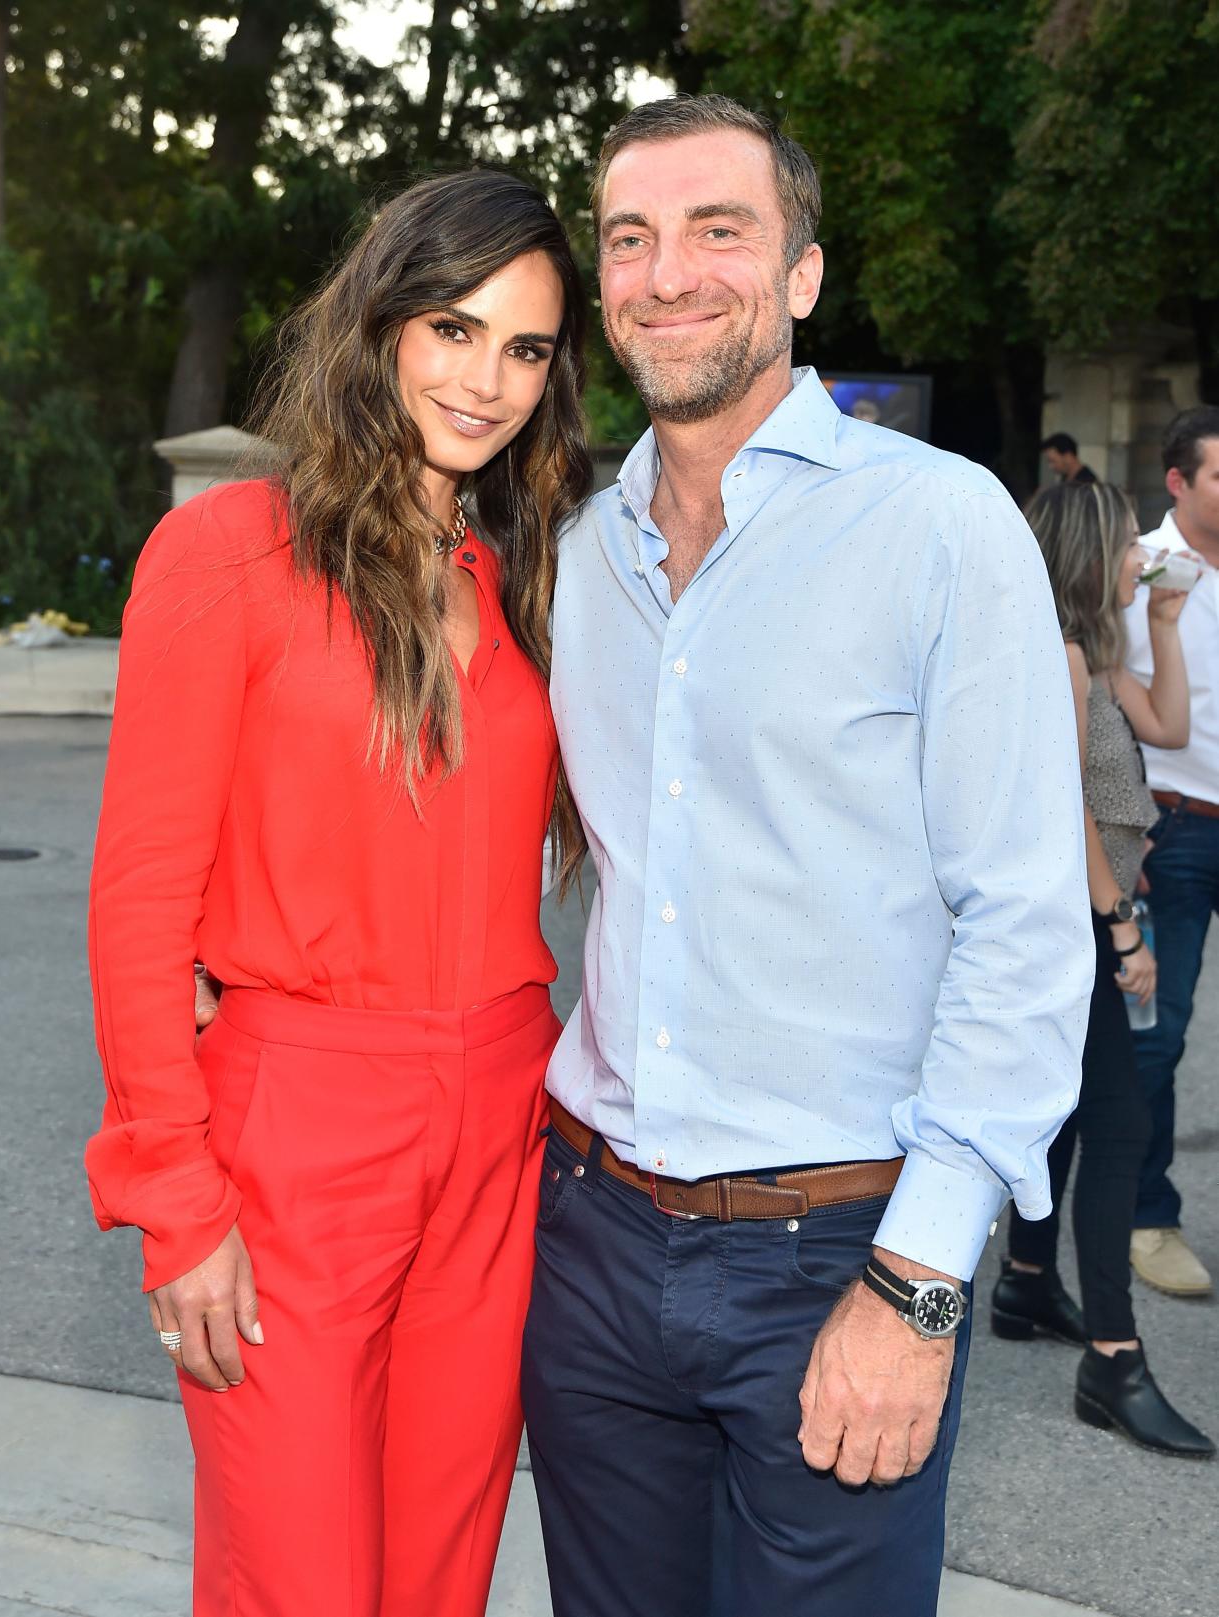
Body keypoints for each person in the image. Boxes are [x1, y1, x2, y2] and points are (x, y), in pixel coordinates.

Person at [521, 95, 1093, 1617]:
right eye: (630, 239)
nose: (668, 272)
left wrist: (917, 1282)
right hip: (589, 1237)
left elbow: (1025, 928)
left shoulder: (942, 528)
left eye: (720, 231)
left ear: (801, 275)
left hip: (835, 1248)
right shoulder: (576, 552)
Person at [85, 171, 591, 1617]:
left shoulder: (519, 576)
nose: (485, 379)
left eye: (525, 348)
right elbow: (137, 904)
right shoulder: (228, 553)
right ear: (377, 324)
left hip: (501, 1124)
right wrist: (175, 1203)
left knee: (439, 1574)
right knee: (298, 1580)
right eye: (451, 327)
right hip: (294, 1123)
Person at [990, 482, 1211, 1457]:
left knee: (1077, 1112)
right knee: (1119, 1128)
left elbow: (1168, 728)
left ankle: (1028, 1283)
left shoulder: (1094, 649)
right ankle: (1113, 1360)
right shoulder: (1056, 655)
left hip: (1087, 920)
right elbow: (1065, 804)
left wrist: (1166, 620)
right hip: (1073, 927)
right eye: (1129, 549)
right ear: (1088, 554)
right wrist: (1122, 930)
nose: (1140, 559)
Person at [1123, 404, 1219, 1295]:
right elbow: (1100, 711)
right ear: (1180, 482)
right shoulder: (1146, 569)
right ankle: (1147, 1216)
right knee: (1164, 1032)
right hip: (1175, 824)